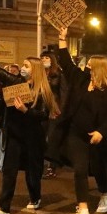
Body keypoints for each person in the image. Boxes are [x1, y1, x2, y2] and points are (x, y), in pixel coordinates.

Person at [0, 32, 58, 214]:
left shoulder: (43, 90)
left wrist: (26, 110)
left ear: (35, 70)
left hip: (33, 138)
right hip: (14, 135)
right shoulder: (16, 82)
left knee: (32, 173)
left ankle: (35, 198)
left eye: (26, 66)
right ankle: (3, 206)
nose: (22, 68)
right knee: (9, 171)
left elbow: (43, 115)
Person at [56, 26, 107, 214]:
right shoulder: (81, 79)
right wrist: (62, 39)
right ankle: (83, 208)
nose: (87, 66)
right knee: (80, 169)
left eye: (90, 65)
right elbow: (66, 64)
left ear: (99, 68)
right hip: (76, 134)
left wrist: (101, 131)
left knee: (99, 169)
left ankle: (105, 192)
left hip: (97, 136)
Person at [40, 50, 65, 178]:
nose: (44, 59)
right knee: (40, 136)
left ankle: (52, 167)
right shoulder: (39, 73)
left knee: (52, 139)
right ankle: (41, 163)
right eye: (42, 57)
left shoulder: (58, 74)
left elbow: (62, 92)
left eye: (46, 57)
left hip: (54, 109)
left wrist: (61, 109)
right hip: (41, 109)